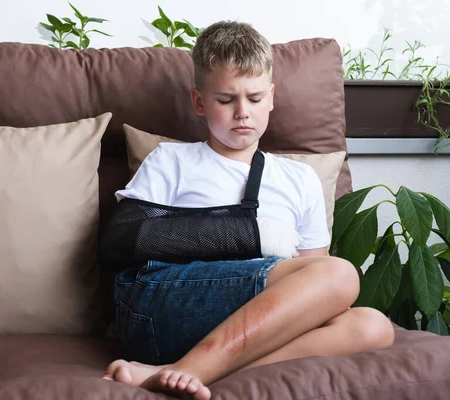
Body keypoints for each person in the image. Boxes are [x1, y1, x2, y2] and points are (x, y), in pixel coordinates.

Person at [103, 20, 394, 400]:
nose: (243, 112)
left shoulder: (299, 179)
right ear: (199, 101)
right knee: (340, 274)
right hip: (166, 309)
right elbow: (122, 238)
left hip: (256, 322)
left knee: (374, 327)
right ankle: (185, 368)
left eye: (255, 99)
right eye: (226, 100)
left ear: (272, 97)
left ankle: (197, 371)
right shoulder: (172, 160)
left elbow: (314, 289)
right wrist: (257, 237)